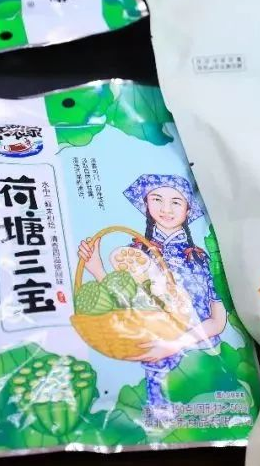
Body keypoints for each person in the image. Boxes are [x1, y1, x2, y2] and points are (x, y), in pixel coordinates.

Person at [78, 174, 227, 415]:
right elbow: (126, 304)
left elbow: (218, 321)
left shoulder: (200, 257)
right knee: (155, 414)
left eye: (176, 202)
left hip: (199, 355)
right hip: (150, 356)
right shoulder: (134, 253)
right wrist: (96, 269)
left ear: (188, 209)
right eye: (157, 199)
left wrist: (172, 346)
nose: (166, 209)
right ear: (146, 205)